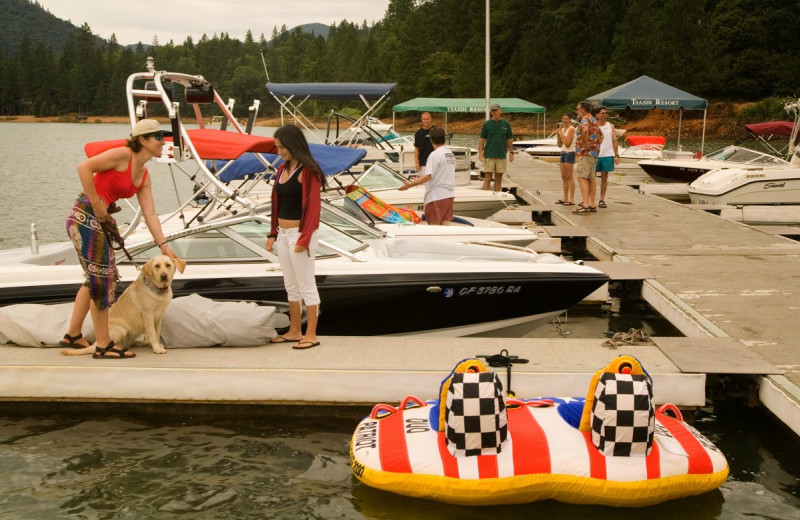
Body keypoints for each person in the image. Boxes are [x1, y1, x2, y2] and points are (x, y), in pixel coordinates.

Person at [61, 119, 180, 359]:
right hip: (86, 215)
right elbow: (84, 167)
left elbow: (150, 215)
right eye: (157, 136)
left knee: (96, 278)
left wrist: (164, 246)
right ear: (141, 140)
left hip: (101, 220)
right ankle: (104, 344)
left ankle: (72, 335)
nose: (162, 141)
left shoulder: (144, 176)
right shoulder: (122, 155)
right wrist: (96, 203)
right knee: (100, 279)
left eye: (163, 136)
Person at [265, 125, 326, 350]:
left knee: (306, 283)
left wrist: (304, 238)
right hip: (283, 234)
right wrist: (273, 233)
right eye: (278, 147)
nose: (279, 151)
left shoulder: (309, 171)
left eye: (282, 147)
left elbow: (313, 209)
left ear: (293, 145)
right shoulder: (282, 170)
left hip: (301, 235)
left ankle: (311, 334)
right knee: (291, 285)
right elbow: (276, 204)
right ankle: (294, 331)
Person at [398, 126, 455, 225]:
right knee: (445, 228)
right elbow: (440, 174)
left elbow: (428, 176)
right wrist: (420, 179)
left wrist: (411, 184)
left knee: (433, 228)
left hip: (436, 197)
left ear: (431, 140)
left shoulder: (434, 155)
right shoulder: (450, 154)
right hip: (449, 196)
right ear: (444, 138)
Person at [573, 101, 603, 214]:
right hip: (594, 153)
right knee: (592, 179)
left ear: (583, 110)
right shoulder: (594, 120)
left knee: (581, 177)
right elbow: (601, 136)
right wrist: (596, 146)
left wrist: (585, 146)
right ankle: (592, 204)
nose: (577, 112)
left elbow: (585, 131)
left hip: (585, 154)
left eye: (577, 109)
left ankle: (585, 204)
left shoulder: (585, 119)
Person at [478, 103, 514, 192]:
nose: (494, 112)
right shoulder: (487, 124)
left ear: (500, 111)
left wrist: (511, 152)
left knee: (498, 178)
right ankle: (485, 197)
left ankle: (497, 196)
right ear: (490, 112)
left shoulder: (506, 124)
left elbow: (509, 139)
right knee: (488, 177)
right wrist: (480, 152)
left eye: (496, 110)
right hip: (489, 154)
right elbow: (482, 139)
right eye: (492, 111)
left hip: (501, 154)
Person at [595, 107, 619, 208]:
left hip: (607, 154)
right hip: (595, 154)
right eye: (602, 113)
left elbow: (614, 140)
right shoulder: (593, 126)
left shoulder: (610, 126)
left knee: (604, 178)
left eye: (605, 113)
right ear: (597, 115)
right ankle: (588, 199)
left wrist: (616, 155)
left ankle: (602, 199)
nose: (605, 115)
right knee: (591, 177)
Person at [555, 114, 576, 206]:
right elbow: (560, 145)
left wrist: (562, 134)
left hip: (569, 153)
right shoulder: (562, 130)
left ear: (570, 120)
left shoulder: (571, 129)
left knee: (569, 176)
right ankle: (565, 198)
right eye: (563, 119)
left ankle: (571, 199)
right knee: (563, 176)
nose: (565, 120)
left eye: (567, 119)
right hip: (563, 153)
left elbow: (567, 143)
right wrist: (558, 135)